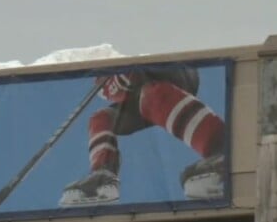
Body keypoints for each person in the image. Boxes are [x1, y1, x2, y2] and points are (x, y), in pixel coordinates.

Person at [59, 67, 225, 207]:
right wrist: (118, 78)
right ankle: (102, 175)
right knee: (101, 118)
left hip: (175, 73)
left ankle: (223, 150)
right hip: (140, 93)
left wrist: (127, 71)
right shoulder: (102, 80)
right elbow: (117, 89)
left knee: (152, 95)